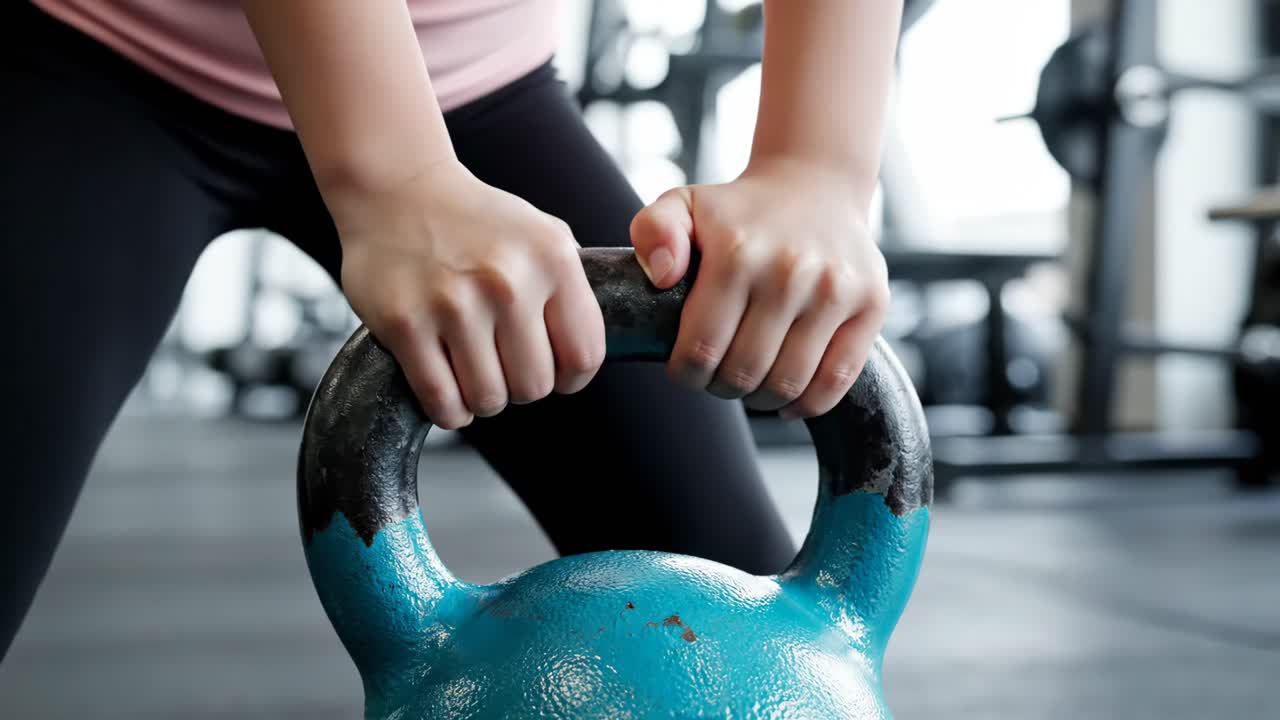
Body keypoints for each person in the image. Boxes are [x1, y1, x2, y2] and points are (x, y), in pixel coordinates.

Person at [0, 0, 902, 661]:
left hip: (474, 82)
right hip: (100, 53)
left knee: (747, 630)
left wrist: (814, 166)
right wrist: (391, 177)